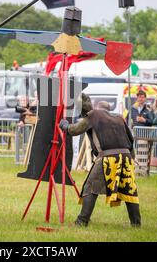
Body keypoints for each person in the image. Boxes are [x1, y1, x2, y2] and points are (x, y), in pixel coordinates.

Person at [59, 93, 141, 227]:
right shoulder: (119, 118)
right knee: (129, 190)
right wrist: (132, 158)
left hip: (108, 157)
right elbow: (130, 139)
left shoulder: (94, 115)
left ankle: (82, 221)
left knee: (90, 187)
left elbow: (75, 130)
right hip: (126, 157)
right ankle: (136, 224)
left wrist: (65, 126)